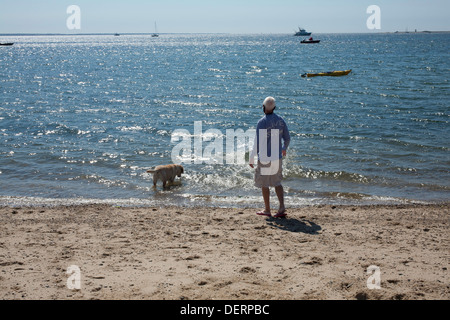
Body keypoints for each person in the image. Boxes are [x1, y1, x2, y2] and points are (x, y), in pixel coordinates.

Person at [249, 97, 290, 218]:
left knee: (265, 184)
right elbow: (287, 138)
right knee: (277, 182)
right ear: (274, 107)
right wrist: (284, 148)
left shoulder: (262, 122)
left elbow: (257, 142)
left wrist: (252, 157)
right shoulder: (281, 120)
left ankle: (267, 209)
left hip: (265, 157)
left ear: (263, 107)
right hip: (277, 157)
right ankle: (281, 207)